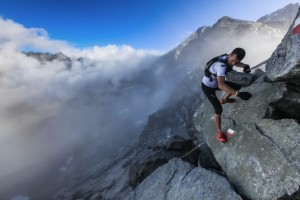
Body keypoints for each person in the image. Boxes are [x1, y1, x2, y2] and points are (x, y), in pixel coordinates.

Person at [201, 48, 252, 143]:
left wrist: (244, 66)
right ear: (231, 54)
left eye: (236, 62)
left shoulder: (226, 57)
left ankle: (224, 100)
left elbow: (234, 62)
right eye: (232, 61)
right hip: (208, 87)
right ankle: (219, 132)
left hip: (215, 83)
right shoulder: (221, 66)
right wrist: (238, 94)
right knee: (218, 109)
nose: (233, 63)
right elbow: (221, 85)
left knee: (236, 86)